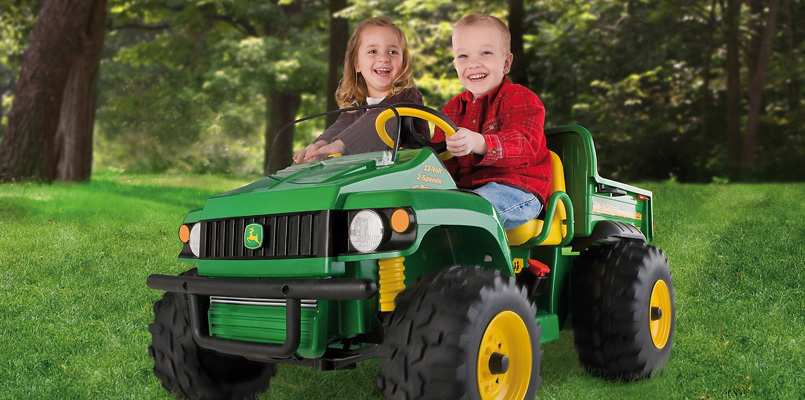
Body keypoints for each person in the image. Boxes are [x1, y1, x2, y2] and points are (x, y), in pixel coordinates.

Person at [432, 14, 552, 230]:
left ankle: (478, 261)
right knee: (424, 212)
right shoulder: (450, 110)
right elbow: (439, 161)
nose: (473, 64)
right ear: (455, 64)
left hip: (515, 189)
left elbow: (524, 144)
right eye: (463, 56)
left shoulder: (520, 98)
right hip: (466, 193)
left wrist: (480, 142)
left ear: (506, 63)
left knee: (472, 213)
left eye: (485, 53)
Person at [294, 16, 427, 163]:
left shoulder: (408, 97)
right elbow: (341, 126)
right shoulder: (359, 106)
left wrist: (340, 145)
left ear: (403, 63)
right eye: (372, 51)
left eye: (393, 52)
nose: (384, 58)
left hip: (412, 178)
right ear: (357, 64)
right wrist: (319, 146)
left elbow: (386, 117)